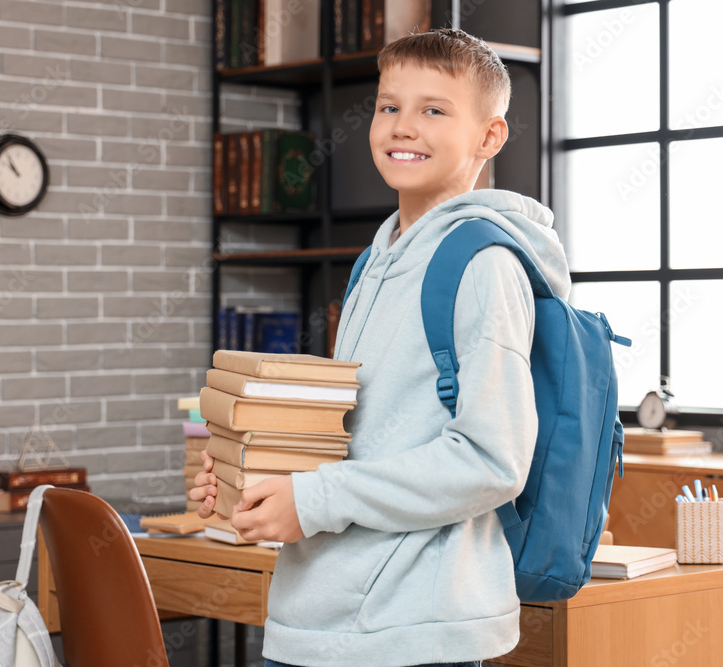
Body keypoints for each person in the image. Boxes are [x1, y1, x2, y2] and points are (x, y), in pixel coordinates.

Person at [190, 28, 571, 667]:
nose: (403, 127)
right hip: (321, 618)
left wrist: (310, 499)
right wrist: (248, 473)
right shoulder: (377, 256)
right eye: (389, 106)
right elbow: (356, 431)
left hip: (410, 631)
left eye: (434, 110)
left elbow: (491, 460)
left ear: (489, 137)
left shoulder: (485, 264)